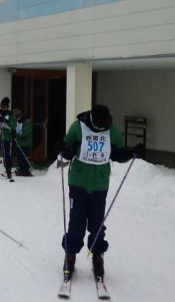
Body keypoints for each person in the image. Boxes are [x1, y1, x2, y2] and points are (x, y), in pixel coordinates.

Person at [58, 104, 143, 282]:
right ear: (91, 119)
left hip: (99, 184)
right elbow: (68, 149)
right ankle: (70, 255)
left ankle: (98, 256)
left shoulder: (112, 131)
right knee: (76, 221)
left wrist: (131, 153)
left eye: (102, 126)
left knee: (97, 222)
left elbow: (117, 154)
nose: (99, 129)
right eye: (97, 126)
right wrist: (62, 148)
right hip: (78, 182)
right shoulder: (78, 127)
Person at [12, 109, 33, 176]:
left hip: (25, 143)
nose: (16, 120)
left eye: (17, 118)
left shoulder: (27, 122)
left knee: (24, 157)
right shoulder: (17, 122)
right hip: (19, 143)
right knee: (20, 157)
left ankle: (25, 170)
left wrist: (16, 134)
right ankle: (21, 169)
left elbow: (24, 133)